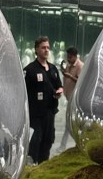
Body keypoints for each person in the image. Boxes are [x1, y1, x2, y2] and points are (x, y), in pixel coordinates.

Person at [24, 36, 63, 164]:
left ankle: (43, 165)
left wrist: (59, 92)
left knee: (48, 140)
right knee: (35, 142)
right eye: (43, 48)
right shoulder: (30, 70)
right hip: (35, 115)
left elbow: (59, 86)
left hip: (49, 113)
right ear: (36, 49)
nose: (46, 50)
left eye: (48, 48)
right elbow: (24, 92)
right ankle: (31, 166)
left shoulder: (53, 69)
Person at [59, 46, 83, 149]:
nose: (68, 59)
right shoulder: (69, 65)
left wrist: (70, 77)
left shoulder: (80, 66)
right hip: (69, 97)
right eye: (67, 57)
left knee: (69, 123)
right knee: (70, 123)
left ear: (75, 56)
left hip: (75, 99)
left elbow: (81, 81)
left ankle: (64, 145)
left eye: (70, 57)